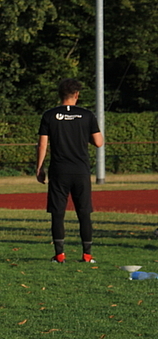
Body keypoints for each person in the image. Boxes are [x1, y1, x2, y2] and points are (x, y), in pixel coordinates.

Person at [36, 78, 103, 263]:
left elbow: (42, 145)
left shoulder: (49, 115)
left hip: (58, 170)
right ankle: (87, 255)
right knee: (84, 212)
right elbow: (98, 142)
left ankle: (59, 255)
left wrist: (39, 168)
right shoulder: (87, 115)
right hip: (81, 171)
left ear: (60, 95)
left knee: (58, 213)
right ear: (76, 95)